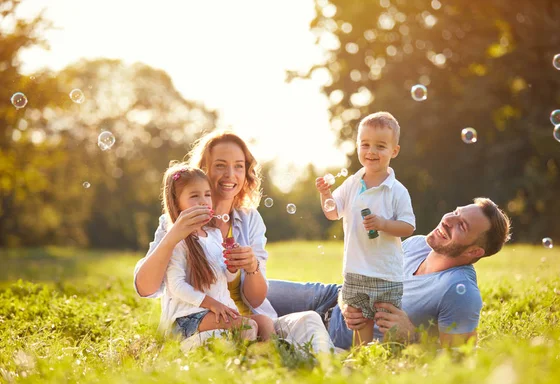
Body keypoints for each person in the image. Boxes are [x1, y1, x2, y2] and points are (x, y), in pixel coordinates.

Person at [134, 130, 333, 352]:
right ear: (203, 170)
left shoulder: (249, 219)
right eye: (220, 165)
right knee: (245, 336)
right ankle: (276, 357)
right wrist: (173, 236)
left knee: (309, 320)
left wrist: (252, 267)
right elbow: (145, 288)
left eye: (239, 166)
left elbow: (256, 301)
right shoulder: (175, 222)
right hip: (201, 323)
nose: (231, 174)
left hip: (251, 319)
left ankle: (329, 368)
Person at [266, 198, 511, 349]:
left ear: (474, 251)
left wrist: (413, 337)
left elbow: (460, 363)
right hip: (330, 297)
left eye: (462, 225)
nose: (448, 219)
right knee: (248, 289)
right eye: (456, 212)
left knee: (256, 327)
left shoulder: (461, 292)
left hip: (340, 334)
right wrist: (346, 298)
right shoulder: (417, 244)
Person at [315, 111, 415, 346]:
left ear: (394, 151)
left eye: (380, 146)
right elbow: (332, 212)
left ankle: (394, 357)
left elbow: (408, 226)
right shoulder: (352, 183)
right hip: (356, 269)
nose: (371, 152)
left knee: (387, 320)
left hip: (386, 272)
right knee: (359, 321)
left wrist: (383, 224)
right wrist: (325, 194)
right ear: (358, 146)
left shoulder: (397, 190)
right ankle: (363, 359)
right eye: (365, 144)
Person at [159, 163, 275, 341]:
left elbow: (225, 278)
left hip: (215, 311)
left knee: (265, 322)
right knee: (247, 326)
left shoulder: (214, 234)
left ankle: (267, 358)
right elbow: (176, 285)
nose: (203, 201)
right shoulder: (176, 240)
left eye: (207, 194)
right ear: (176, 202)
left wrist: (232, 266)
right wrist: (211, 304)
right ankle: (247, 361)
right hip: (188, 316)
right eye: (194, 196)